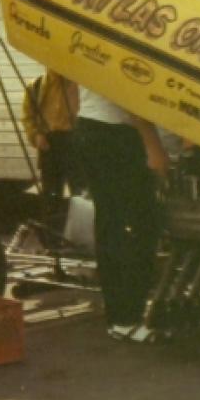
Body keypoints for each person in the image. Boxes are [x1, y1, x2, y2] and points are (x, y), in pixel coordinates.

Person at [72, 83, 167, 340]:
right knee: (140, 226)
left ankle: (121, 317)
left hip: (91, 126)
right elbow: (129, 90)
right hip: (116, 133)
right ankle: (128, 318)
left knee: (112, 224)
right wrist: (153, 147)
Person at [21, 68, 83, 210]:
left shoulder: (79, 85)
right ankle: (52, 219)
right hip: (49, 143)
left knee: (79, 192)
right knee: (50, 192)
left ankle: (80, 221)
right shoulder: (36, 86)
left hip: (73, 140)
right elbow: (28, 117)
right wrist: (36, 135)